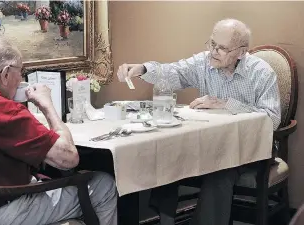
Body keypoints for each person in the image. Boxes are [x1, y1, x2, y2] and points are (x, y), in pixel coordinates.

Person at [117, 18, 281, 225]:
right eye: (212, 43)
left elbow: (272, 119)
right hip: (210, 143)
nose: (213, 51)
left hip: (249, 147)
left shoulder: (261, 73)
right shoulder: (203, 63)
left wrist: (226, 104)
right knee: (169, 154)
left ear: (241, 52)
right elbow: (173, 72)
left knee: (220, 172)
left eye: (221, 48)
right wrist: (142, 69)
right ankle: (164, 219)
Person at [0, 37, 117, 225]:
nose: (21, 79)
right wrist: (47, 104)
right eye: (20, 72)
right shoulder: (4, 110)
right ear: (6, 74)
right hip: (1, 210)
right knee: (103, 185)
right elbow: (68, 159)